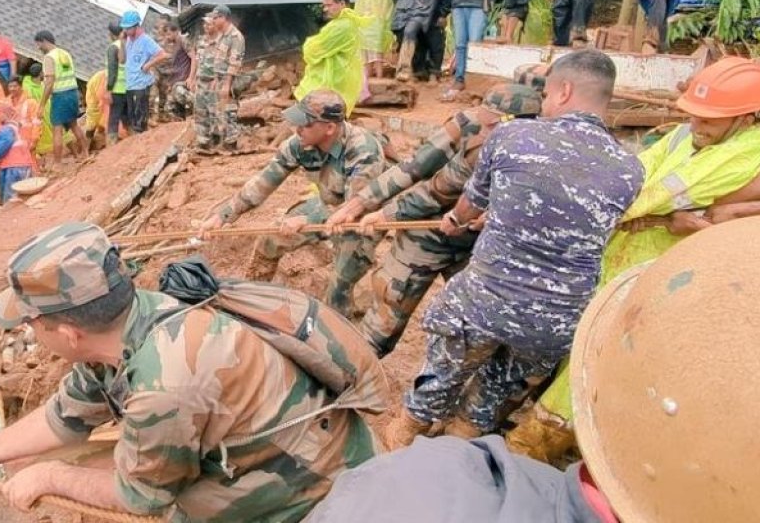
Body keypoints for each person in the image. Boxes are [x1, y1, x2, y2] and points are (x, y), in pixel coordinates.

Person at [306, 217, 760, 523]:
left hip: (484, 312)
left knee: (446, 389)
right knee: (485, 397)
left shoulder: (429, 486)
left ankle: (416, 425)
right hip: (544, 324)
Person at [0, 221, 380, 521]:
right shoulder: (126, 323)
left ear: (68, 332)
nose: (28, 328)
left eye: (32, 321)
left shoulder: (165, 382)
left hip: (318, 492)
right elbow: (66, 416)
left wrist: (49, 476)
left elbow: (142, 496)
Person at [512, 56, 760, 460]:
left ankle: (532, 446)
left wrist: (582, 202)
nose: (697, 125)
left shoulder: (745, 154)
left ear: (746, 118)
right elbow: (637, 172)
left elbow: (653, 195)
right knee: (576, 345)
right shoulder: (684, 136)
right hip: (619, 255)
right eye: (693, 115)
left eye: (709, 119)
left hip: (656, 273)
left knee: (598, 355)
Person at [385, 50, 642, 447]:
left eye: (545, 96)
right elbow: (581, 222)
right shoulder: (630, 168)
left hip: (488, 302)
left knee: (444, 371)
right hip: (557, 324)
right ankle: (462, 440)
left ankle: (408, 432)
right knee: (496, 388)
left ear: (564, 90)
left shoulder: (513, 136)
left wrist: (454, 220)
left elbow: (469, 206)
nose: (542, 104)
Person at [324, 84, 544, 357]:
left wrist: (492, 215)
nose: (484, 128)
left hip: (481, 246)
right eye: (483, 121)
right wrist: (368, 205)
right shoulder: (471, 131)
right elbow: (428, 179)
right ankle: (352, 373)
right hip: (428, 235)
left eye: (490, 124)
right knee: (385, 316)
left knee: (484, 324)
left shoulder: (543, 152)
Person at [198, 89, 387, 317]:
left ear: (329, 128)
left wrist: (306, 220)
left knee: (337, 289)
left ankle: (345, 328)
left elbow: (353, 210)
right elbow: (264, 181)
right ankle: (252, 300)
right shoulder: (299, 144)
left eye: (305, 124)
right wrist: (222, 216)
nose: (298, 129)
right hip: (329, 203)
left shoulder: (363, 151)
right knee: (270, 240)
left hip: (364, 218)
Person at [296, 0, 387, 113]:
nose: (325, 9)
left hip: (332, 84)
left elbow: (312, 51)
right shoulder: (345, 21)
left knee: (315, 120)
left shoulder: (342, 26)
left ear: (342, 3)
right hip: (337, 83)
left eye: (329, 5)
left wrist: (309, 45)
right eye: (324, 5)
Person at [189, 5, 246, 153]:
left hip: (230, 81)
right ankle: (212, 143)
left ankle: (231, 143)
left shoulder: (235, 37)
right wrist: (215, 78)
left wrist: (227, 84)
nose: (213, 21)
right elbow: (218, 60)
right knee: (217, 112)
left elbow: (234, 63)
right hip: (218, 79)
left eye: (215, 18)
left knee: (228, 111)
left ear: (223, 17)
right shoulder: (222, 35)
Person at [34, 31, 88, 163]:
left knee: (56, 129)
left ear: (44, 41)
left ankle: (57, 163)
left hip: (60, 95)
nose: (38, 47)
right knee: (74, 125)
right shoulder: (65, 54)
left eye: (38, 44)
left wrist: (42, 104)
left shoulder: (49, 58)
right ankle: (86, 153)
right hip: (72, 93)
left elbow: (50, 82)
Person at [119, 12, 167, 134]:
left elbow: (162, 55)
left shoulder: (146, 40)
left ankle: (141, 137)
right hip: (130, 82)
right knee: (132, 116)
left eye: (128, 28)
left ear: (136, 26)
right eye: (124, 28)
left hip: (141, 83)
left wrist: (147, 65)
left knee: (140, 118)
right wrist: (122, 43)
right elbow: (122, 59)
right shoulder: (128, 40)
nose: (125, 30)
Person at [0, 104, 34, 203]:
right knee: (25, 195)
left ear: (5, 114)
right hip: (25, 164)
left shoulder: (6, 129)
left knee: (11, 199)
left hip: (12, 167)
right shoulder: (17, 127)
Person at [154, 20, 193, 120]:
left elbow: (194, 58)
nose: (167, 37)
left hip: (184, 80)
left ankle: (201, 111)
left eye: (169, 34)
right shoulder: (173, 44)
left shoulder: (183, 40)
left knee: (185, 97)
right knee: (170, 109)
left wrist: (191, 78)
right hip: (176, 80)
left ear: (176, 32)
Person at [103, 23, 128, 145]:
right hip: (130, 87)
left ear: (112, 34)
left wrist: (108, 89)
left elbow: (112, 70)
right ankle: (135, 141)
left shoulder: (113, 48)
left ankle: (111, 146)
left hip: (117, 88)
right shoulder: (129, 45)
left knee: (114, 118)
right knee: (127, 117)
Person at [83, 68, 110, 148]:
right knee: (95, 116)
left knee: (98, 115)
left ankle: (87, 147)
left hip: (97, 87)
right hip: (97, 90)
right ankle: (86, 148)